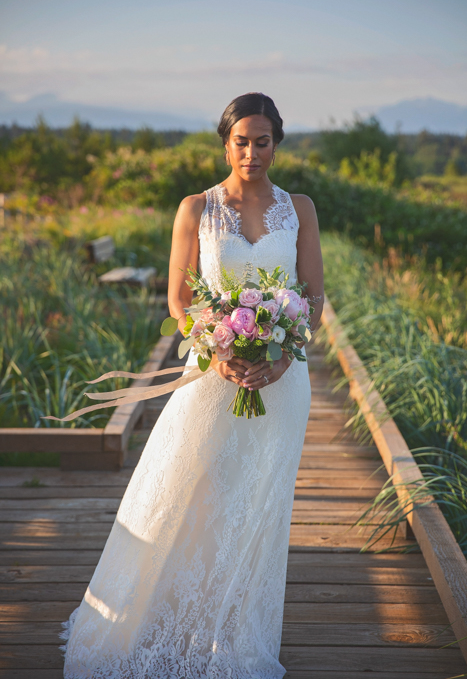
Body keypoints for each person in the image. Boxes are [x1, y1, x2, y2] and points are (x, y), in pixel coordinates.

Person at [61, 92, 324, 679]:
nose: (252, 152)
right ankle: (166, 618)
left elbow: (312, 296)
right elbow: (180, 302)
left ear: (276, 142)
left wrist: (281, 359)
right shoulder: (196, 209)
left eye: (262, 141)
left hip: (283, 383)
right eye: (241, 141)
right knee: (189, 493)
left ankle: (234, 632)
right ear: (225, 142)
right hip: (209, 378)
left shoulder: (300, 208)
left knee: (258, 502)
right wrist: (222, 354)